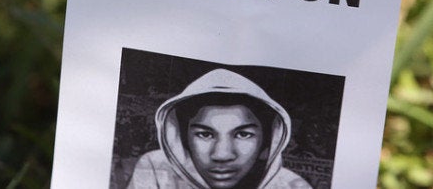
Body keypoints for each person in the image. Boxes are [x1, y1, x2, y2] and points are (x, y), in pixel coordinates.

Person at [126, 69, 311, 189]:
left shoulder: (292, 186)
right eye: (205, 134)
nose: (222, 155)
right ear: (183, 140)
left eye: (243, 134)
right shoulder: (155, 168)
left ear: (267, 143)